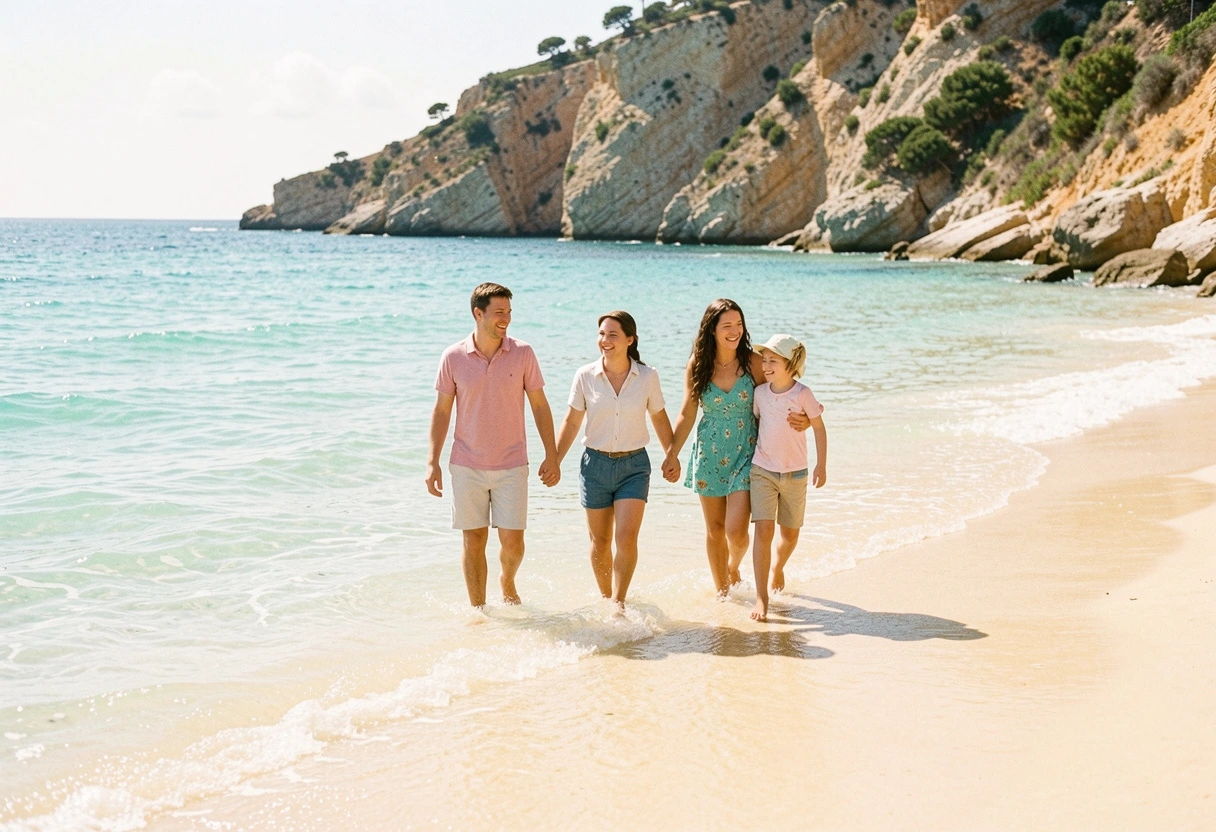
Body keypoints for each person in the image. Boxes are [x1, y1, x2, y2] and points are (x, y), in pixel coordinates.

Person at [425, 283, 560, 608]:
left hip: (512, 463)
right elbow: (442, 411)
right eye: (500, 313)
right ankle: (479, 610)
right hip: (466, 464)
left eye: (509, 312)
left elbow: (540, 405)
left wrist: (552, 454)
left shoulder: (523, 353)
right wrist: (433, 461)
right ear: (478, 313)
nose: (506, 319)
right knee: (474, 540)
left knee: (513, 543)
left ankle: (507, 579)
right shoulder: (453, 357)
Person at [671, 299, 810, 597]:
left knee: (736, 531)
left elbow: (784, 394)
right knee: (714, 530)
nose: (735, 331)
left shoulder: (753, 363)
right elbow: (687, 412)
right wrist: (671, 452)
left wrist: (807, 420)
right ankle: (722, 594)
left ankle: (733, 566)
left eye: (739, 324)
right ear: (712, 330)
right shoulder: (698, 364)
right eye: (727, 326)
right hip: (708, 452)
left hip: (748, 451)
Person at [554, 311, 680, 610]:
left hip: (634, 467)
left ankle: (619, 602)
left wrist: (671, 455)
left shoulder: (647, 376)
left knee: (625, 537)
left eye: (612, 335)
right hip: (594, 466)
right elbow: (572, 422)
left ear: (629, 339)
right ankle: (605, 598)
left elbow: (660, 418)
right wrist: (554, 459)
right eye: (601, 334)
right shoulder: (585, 376)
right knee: (599, 542)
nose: (605, 340)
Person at [748, 334, 827, 622]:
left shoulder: (803, 393)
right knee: (763, 532)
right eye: (764, 360)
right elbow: (759, 423)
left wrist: (821, 465)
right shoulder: (760, 393)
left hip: (796, 473)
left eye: (773, 360)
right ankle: (761, 596)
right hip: (763, 470)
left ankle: (778, 566)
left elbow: (819, 427)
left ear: (791, 363)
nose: (766, 365)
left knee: (790, 534)